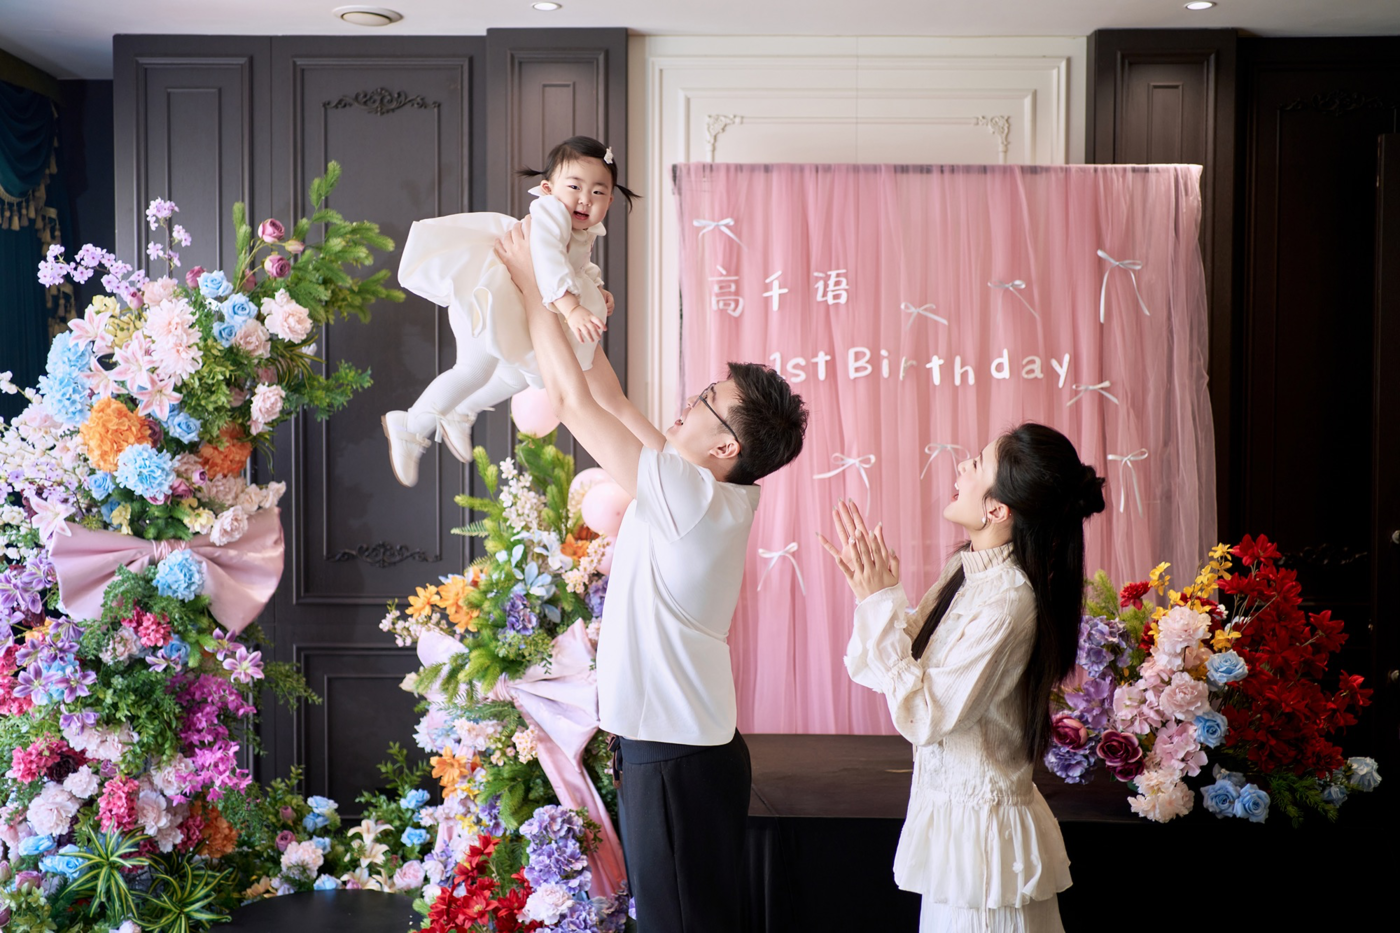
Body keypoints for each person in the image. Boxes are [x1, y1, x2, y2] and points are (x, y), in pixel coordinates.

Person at [494, 219, 809, 932]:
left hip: (675, 757)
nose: (688, 403)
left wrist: (535, 288)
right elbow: (606, 395)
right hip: (678, 752)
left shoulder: (692, 496)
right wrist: (578, 311)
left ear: (726, 446)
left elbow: (573, 404)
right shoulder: (699, 487)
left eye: (706, 401)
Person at [819, 423, 1105, 933]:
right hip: (958, 835)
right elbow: (892, 667)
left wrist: (879, 601)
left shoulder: (1008, 600)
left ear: (998, 510)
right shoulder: (967, 569)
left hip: (986, 851)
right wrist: (878, 595)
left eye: (976, 463)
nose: (961, 467)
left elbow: (925, 715)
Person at [383, 135, 639, 486]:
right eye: (575, 186)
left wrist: (597, 288)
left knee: (518, 376)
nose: (585, 198)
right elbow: (548, 261)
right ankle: (410, 425)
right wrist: (572, 308)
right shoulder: (551, 214)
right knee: (473, 369)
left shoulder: (584, 229)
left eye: (598, 192)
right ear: (548, 189)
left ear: (609, 200)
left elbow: (578, 266)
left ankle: (461, 411)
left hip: (512, 307)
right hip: (488, 295)